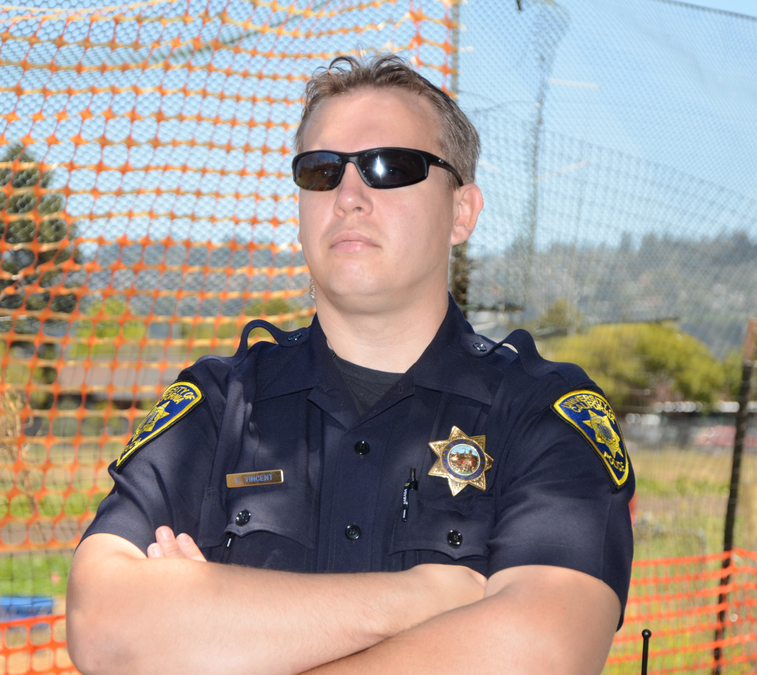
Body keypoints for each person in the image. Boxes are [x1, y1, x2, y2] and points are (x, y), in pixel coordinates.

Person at [67, 53, 634, 675]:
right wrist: (424, 596)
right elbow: (104, 626)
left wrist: (209, 635)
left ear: (463, 212)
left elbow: (540, 651)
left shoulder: (544, 415)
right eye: (320, 171)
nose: (349, 195)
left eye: (392, 167)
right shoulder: (219, 405)